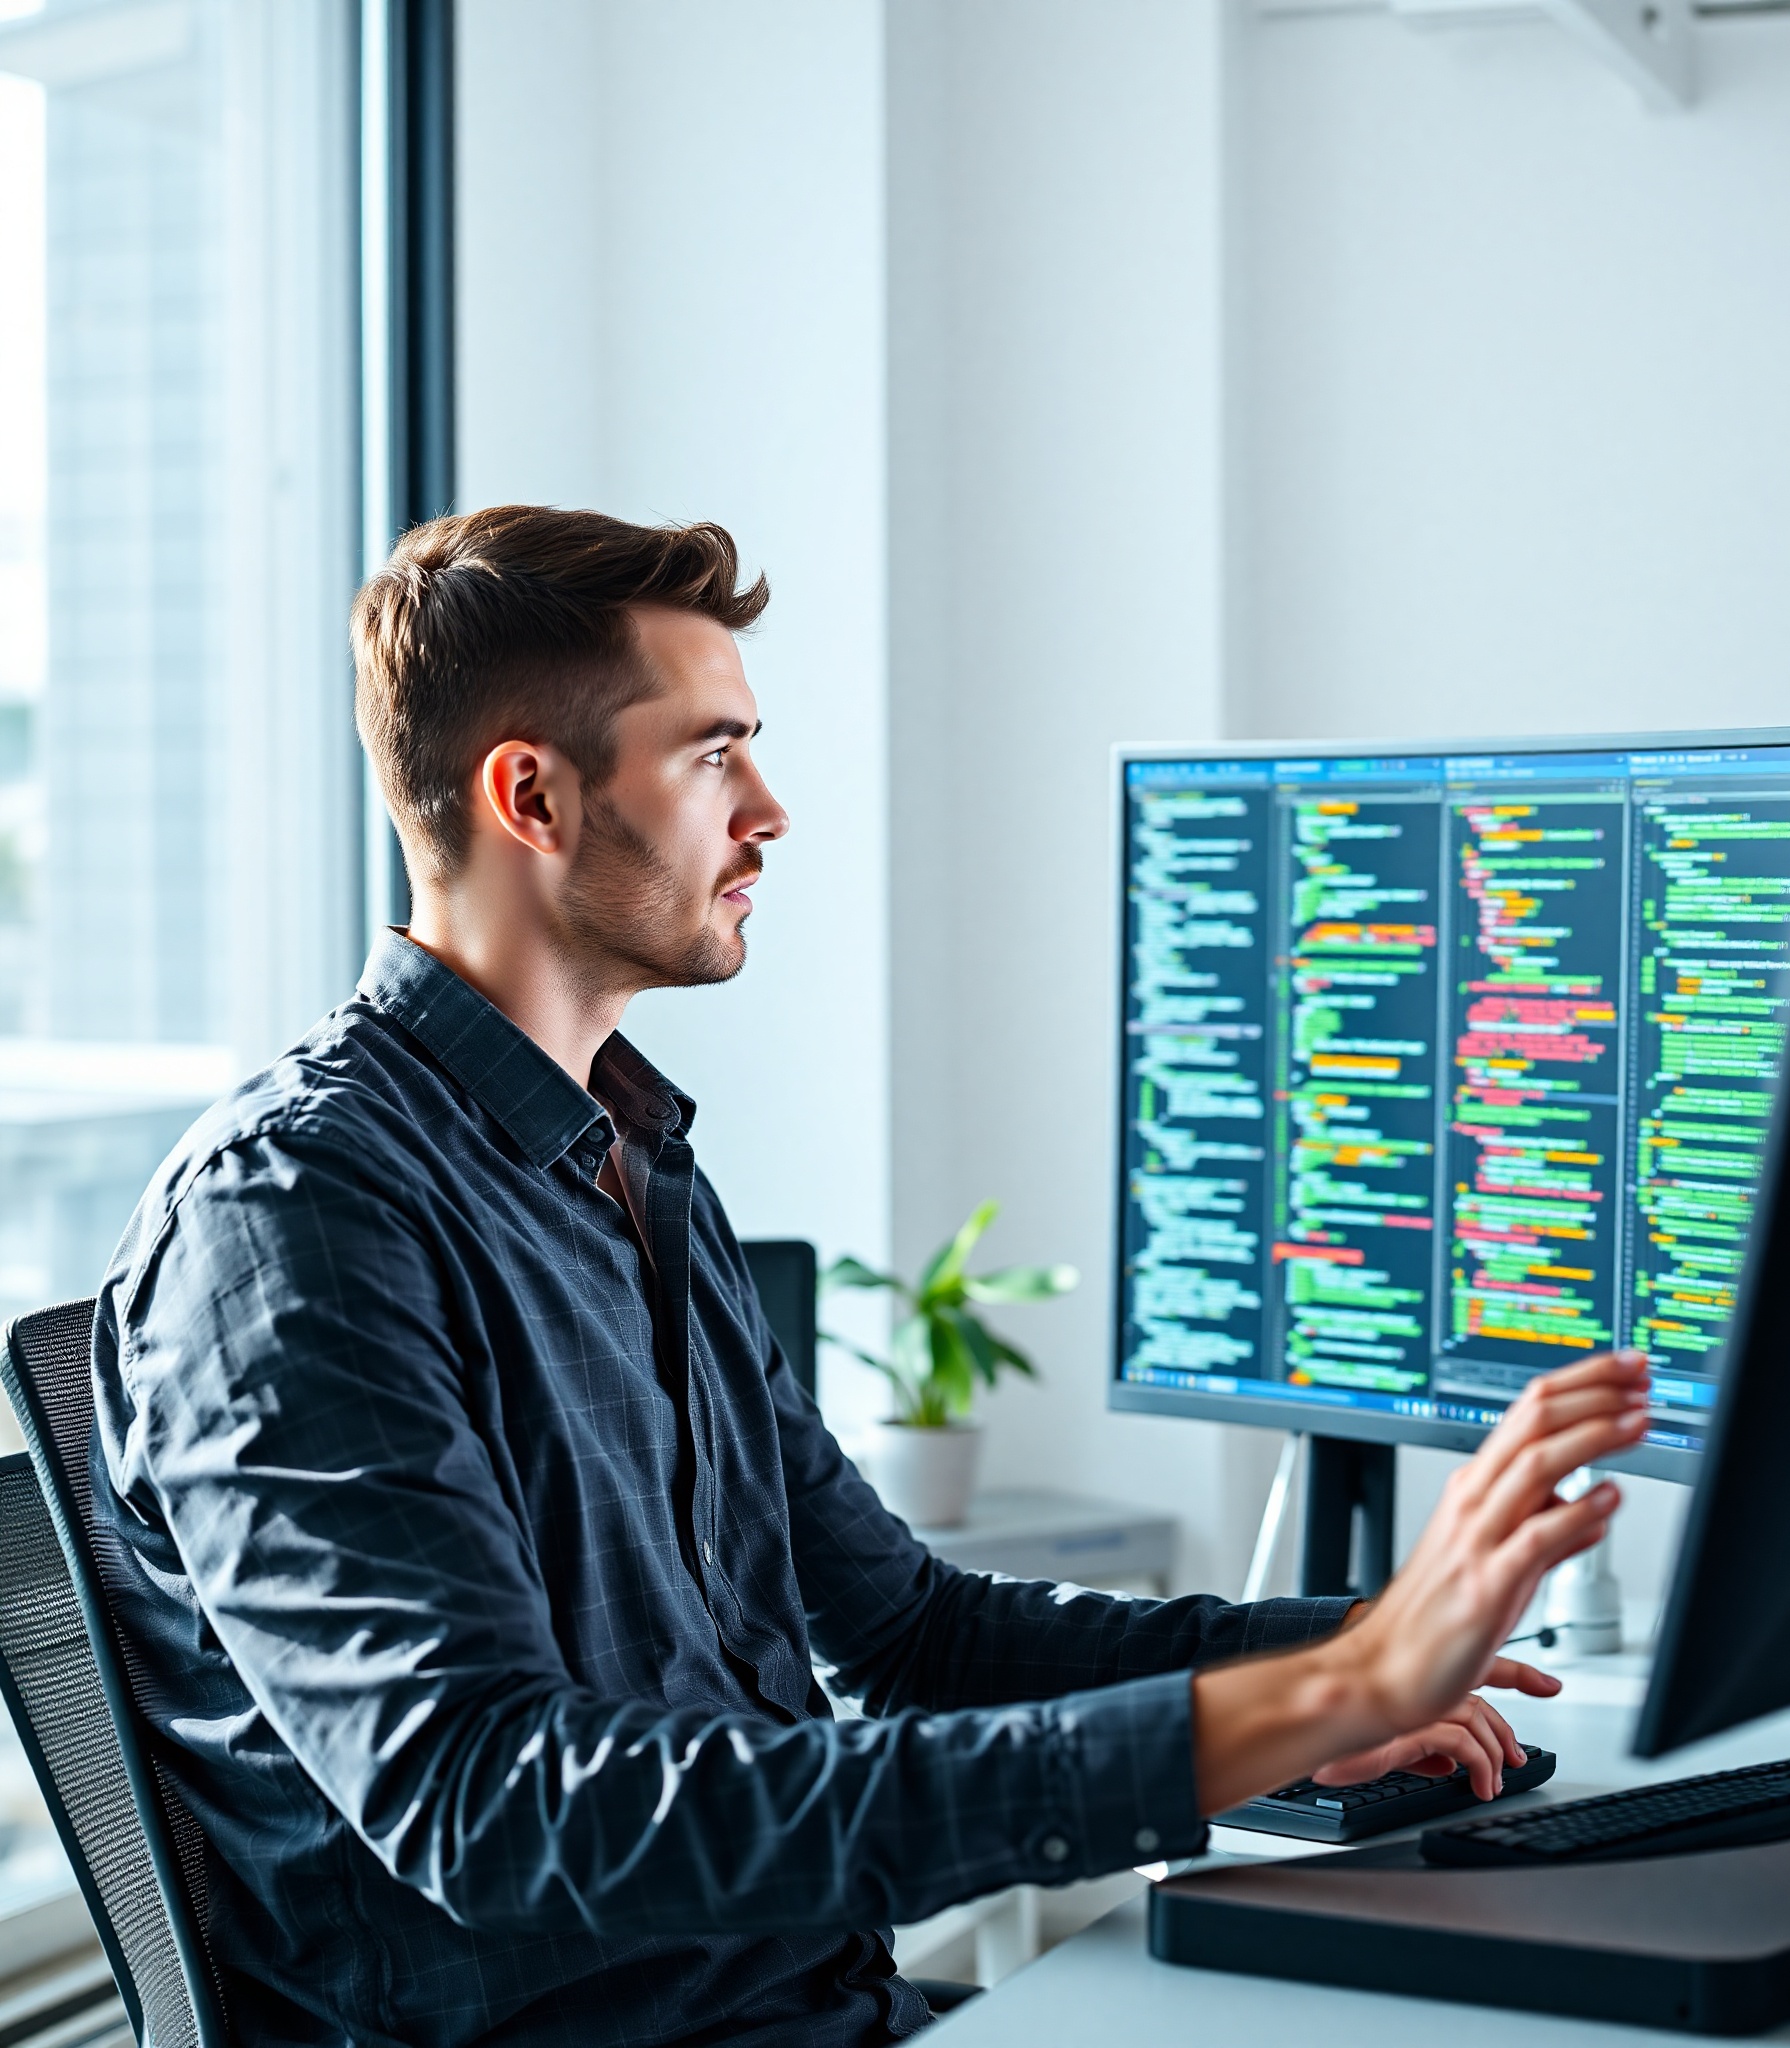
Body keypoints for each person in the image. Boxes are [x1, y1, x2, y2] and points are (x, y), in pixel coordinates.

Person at [90, 505, 1653, 2048]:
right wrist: (1292, 1712)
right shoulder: (292, 1221)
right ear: (533, 797)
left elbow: (912, 1635)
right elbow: (495, 1813)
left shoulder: (625, 1160)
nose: (769, 811)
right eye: (714, 755)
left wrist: (1353, 1646)